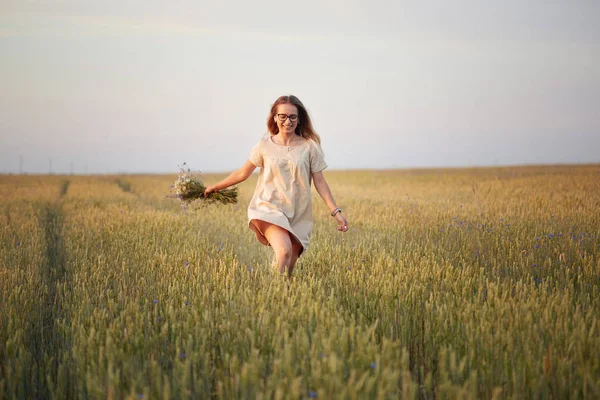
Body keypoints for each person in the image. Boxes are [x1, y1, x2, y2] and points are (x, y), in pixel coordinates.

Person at [204, 95, 349, 278]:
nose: (287, 121)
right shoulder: (264, 145)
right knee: (284, 251)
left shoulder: (309, 147)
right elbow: (243, 173)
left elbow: (320, 181)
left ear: (299, 119)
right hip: (269, 207)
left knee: (288, 268)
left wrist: (336, 211)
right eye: (282, 116)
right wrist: (216, 187)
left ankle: (276, 298)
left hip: (299, 212)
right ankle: (272, 295)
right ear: (274, 117)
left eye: (292, 117)